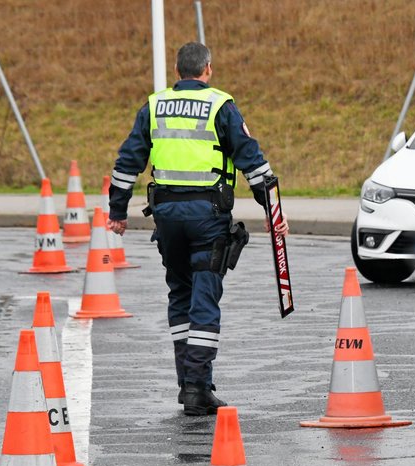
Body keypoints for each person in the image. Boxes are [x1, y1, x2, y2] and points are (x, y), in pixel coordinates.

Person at [106, 42, 289, 416]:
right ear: (208, 68)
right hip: (207, 217)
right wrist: (274, 212)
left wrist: (117, 211)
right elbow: (252, 161)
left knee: (180, 293)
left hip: (168, 217)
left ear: (177, 71)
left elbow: (128, 161)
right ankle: (197, 386)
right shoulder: (222, 106)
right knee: (205, 296)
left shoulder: (154, 106)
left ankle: (186, 382)